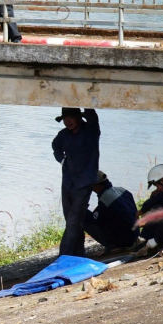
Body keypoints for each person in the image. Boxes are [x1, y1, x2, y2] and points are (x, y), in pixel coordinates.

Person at [51, 108, 101, 257]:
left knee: (73, 221)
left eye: (71, 118)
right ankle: (79, 255)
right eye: (65, 119)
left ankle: (63, 257)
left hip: (84, 183)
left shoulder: (91, 131)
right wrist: (62, 159)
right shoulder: (63, 135)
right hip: (67, 183)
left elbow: (92, 115)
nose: (67, 122)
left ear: (79, 117)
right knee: (71, 220)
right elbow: (55, 146)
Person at [83, 171, 140, 254]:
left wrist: (82, 208)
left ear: (98, 185)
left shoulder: (105, 199)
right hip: (135, 234)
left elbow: (95, 219)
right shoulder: (122, 190)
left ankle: (115, 246)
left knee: (84, 218)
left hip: (125, 240)